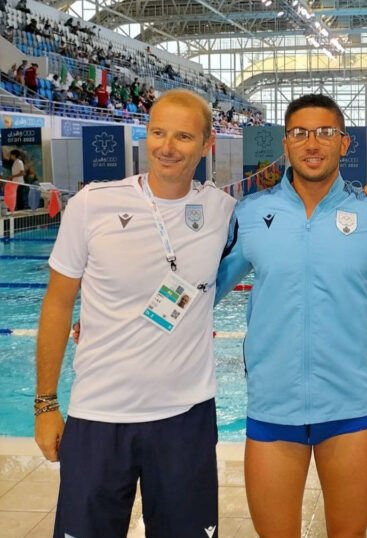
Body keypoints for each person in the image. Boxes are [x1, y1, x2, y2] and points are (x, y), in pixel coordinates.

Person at [214, 94, 367, 537]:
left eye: (326, 132)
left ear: (344, 143)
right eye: (300, 133)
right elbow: (199, 292)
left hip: (348, 407)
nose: (313, 143)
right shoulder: (251, 213)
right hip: (272, 406)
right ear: (285, 144)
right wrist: (115, 321)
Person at [34, 89, 234, 538]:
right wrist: (46, 403)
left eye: (184, 136)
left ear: (206, 145)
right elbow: (58, 303)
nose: (167, 146)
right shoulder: (91, 204)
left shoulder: (223, 211)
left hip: (185, 418)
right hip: (99, 415)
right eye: (158, 132)